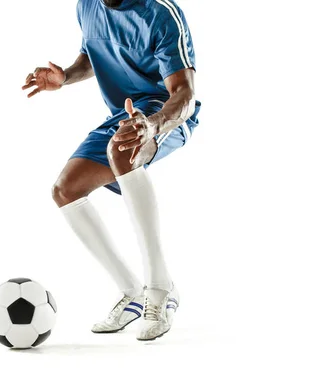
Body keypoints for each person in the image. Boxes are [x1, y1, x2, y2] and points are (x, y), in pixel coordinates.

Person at [22, 0, 200, 341]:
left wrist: (154, 124)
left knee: (121, 150)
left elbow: (185, 93)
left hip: (166, 113)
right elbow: (92, 52)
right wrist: (67, 77)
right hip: (124, 114)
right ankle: (132, 291)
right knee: (66, 190)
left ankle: (161, 289)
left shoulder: (160, 13)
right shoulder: (88, 5)